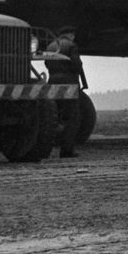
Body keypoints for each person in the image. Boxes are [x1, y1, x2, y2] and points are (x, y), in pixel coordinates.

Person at [45, 26, 87, 158]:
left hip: (52, 81)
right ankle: (66, 150)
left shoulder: (51, 46)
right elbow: (77, 65)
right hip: (68, 84)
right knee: (72, 117)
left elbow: (47, 63)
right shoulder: (71, 45)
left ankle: (46, 147)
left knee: (53, 116)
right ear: (70, 35)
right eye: (73, 35)